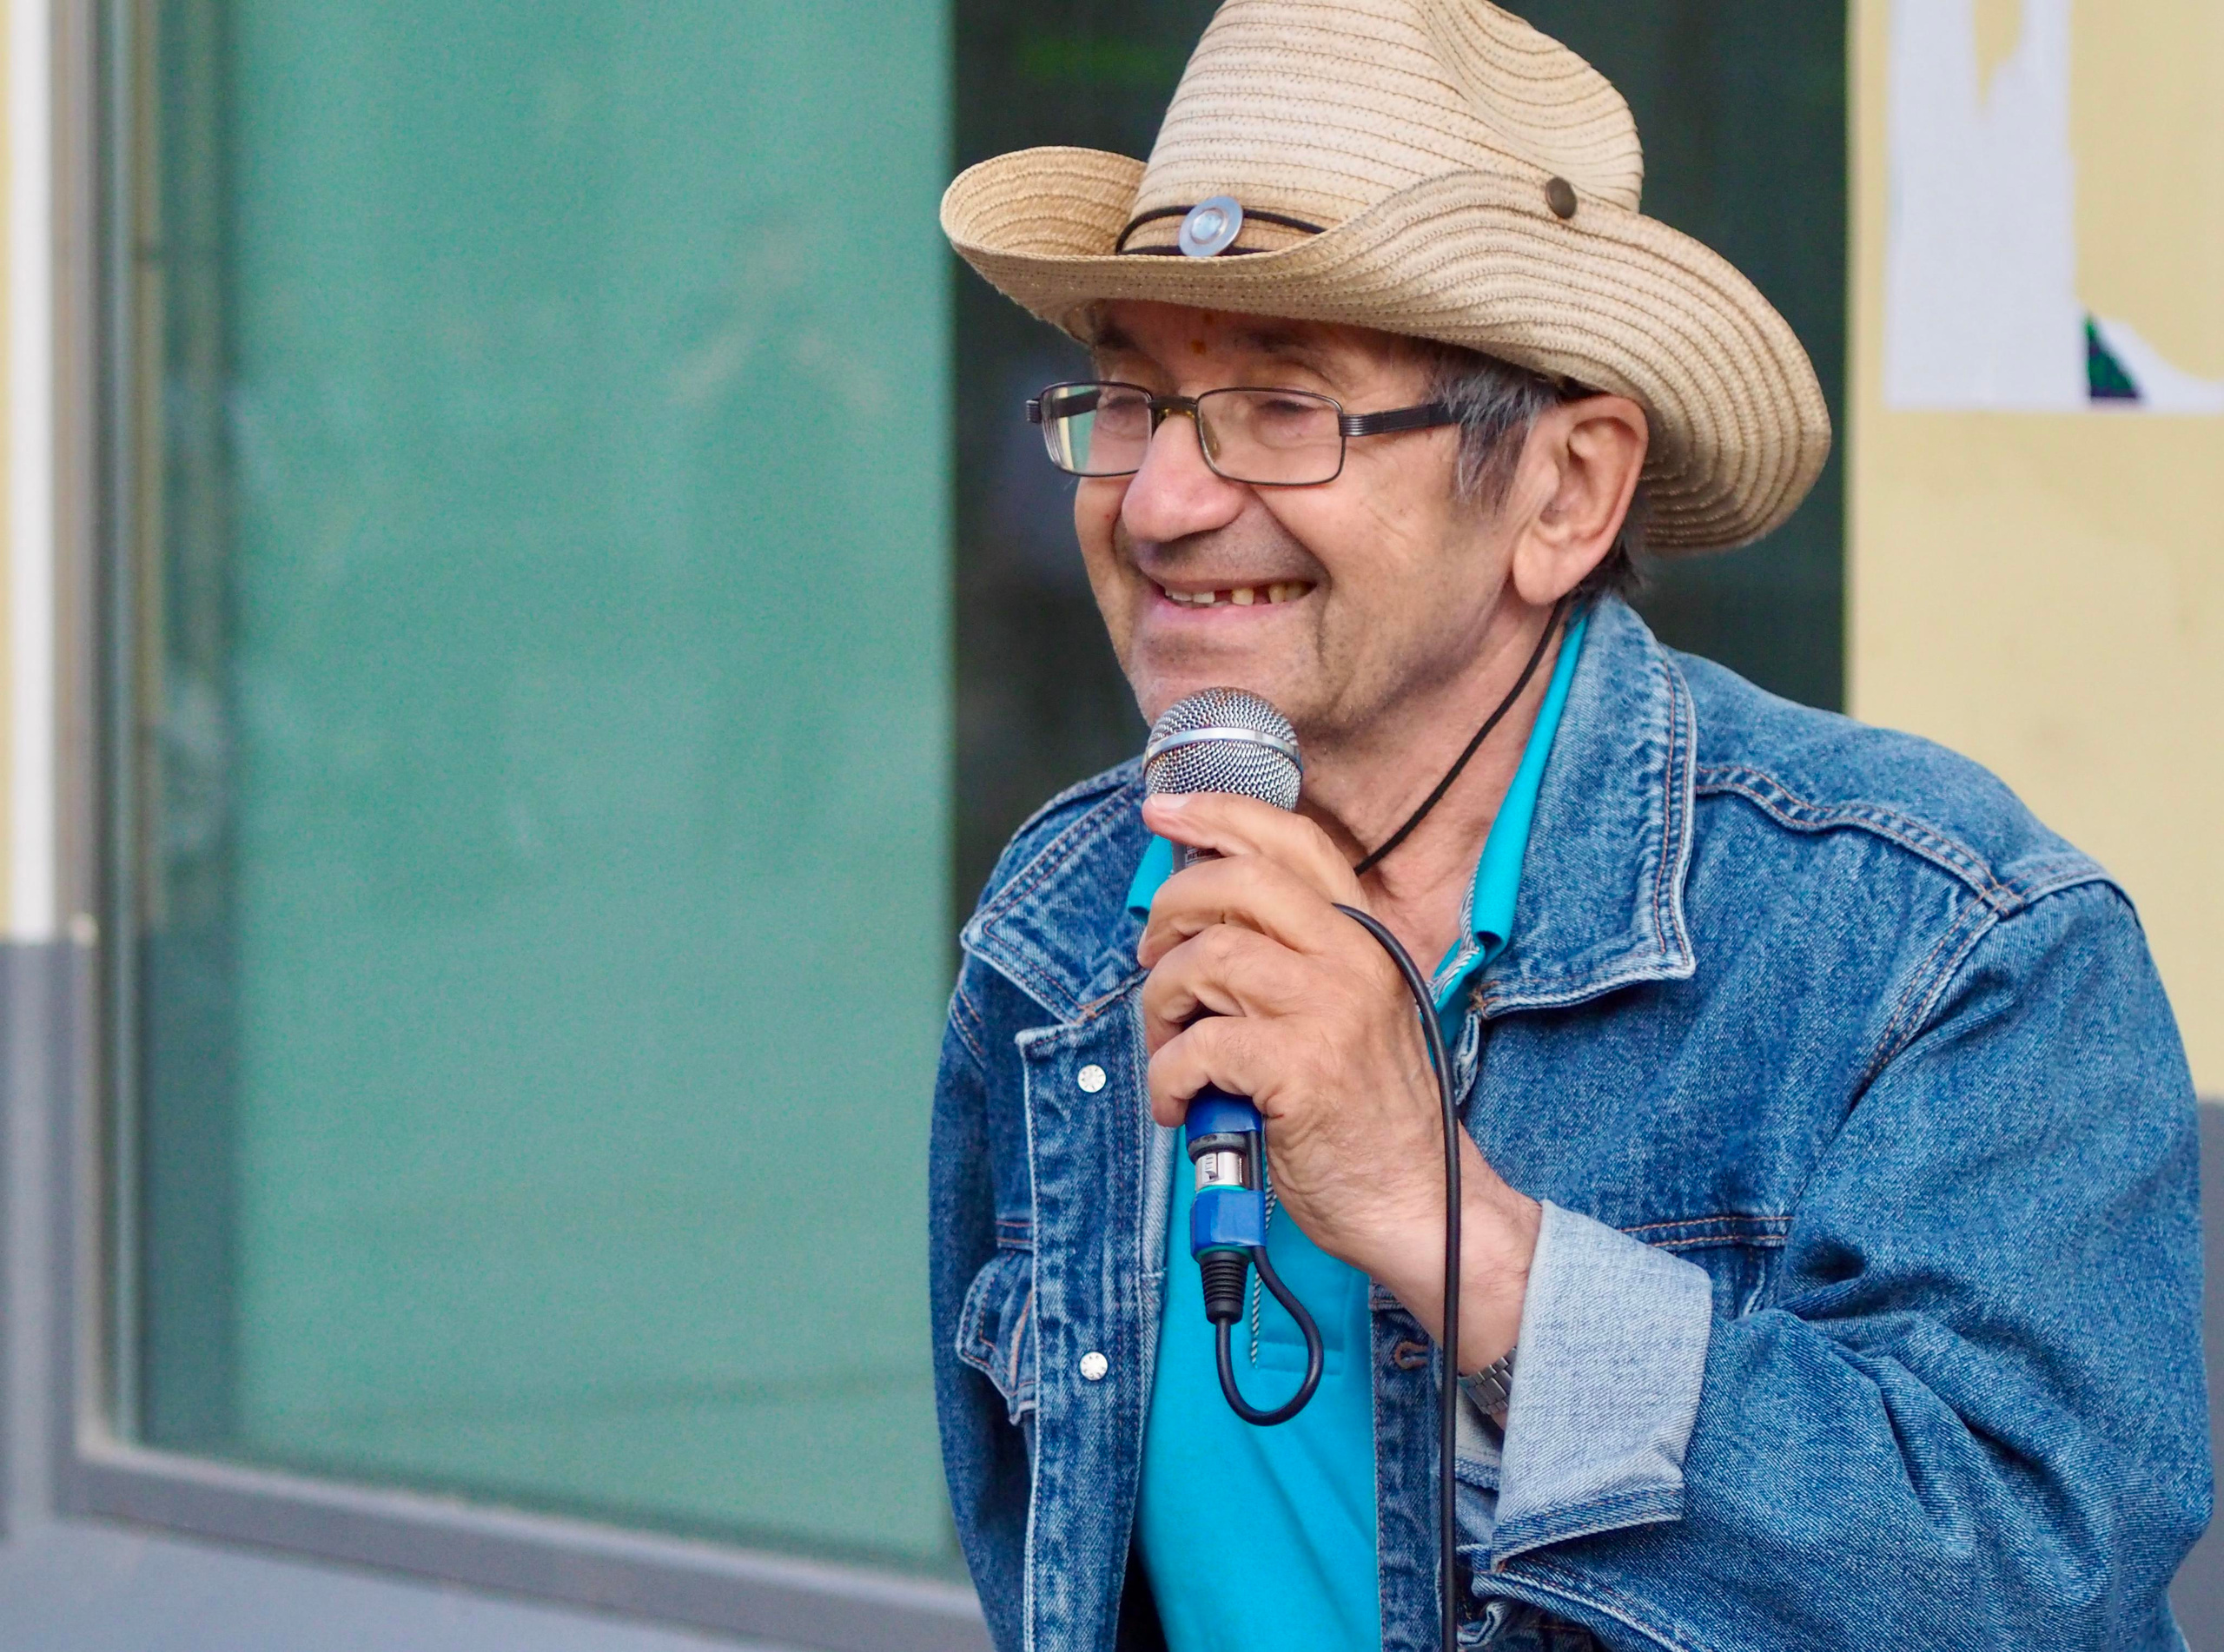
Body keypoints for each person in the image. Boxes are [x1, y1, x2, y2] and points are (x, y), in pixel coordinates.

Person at [927, 3, 2211, 1648]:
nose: (1163, 501)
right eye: (1130, 400)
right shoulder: (1067, 914)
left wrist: (1456, 1227)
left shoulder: (1946, 940)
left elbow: (2029, 1581)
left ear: (1564, 492)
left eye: (1281, 406)